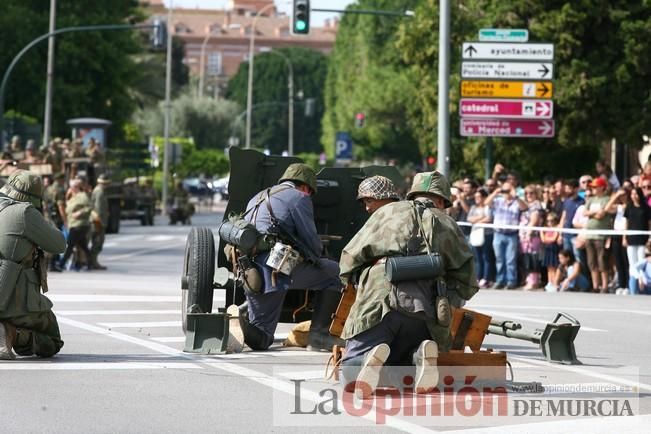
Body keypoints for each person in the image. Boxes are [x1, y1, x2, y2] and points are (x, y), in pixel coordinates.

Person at [339, 171, 478, 397]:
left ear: (412, 194)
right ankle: (418, 356)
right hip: (427, 307)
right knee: (404, 358)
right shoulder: (448, 223)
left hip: (380, 299)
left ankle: (366, 359)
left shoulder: (387, 212)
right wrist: (444, 301)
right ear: (442, 200)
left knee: (349, 372)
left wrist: (357, 283)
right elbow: (468, 282)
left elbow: (348, 259)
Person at [229, 164, 343, 352]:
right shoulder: (299, 197)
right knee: (336, 273)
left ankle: (236, 322)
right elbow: (311, 240)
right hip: (276, 268)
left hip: (250, 271)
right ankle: (319, 336)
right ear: (306, 187)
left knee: (262, 337)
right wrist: (319, 257)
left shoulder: (258, 197)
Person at [0, 170, 66, 359]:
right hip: (13, 300)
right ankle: (11, 333)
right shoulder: (24, 213)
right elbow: (59, 244)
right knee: (53, 341)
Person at [486, 180, 528, 289]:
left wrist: (516, 196)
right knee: (499, 259)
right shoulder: (498, 200)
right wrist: (496, 192)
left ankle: (511, 281)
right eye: (504, 190)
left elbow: (524, 208)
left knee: (510, 259)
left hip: (511, 234)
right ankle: (500, 280)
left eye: (508, 190)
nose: (506, 192)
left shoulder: (516, 202)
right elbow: (487, 203)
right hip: (498, 233)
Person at [583, 177, 615, 292]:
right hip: (589, 235)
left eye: (595, 187)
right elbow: (584, 212)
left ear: (602, 187)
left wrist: (592, 214)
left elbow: (601, 215)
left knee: (602, 261)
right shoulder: (590, 200)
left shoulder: (606, 200)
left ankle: (605, 286)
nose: (593, 189)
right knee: (592, 262)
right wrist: (594, 213)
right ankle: (596, 286)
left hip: (601, 236)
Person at [623, 187, 651, 295]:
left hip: (642, 239)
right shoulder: (629, 207)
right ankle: (633, 288)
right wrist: (624, 237)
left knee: (641, 263)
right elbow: (626, 222)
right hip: (631, 238)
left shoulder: (646, 208)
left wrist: (649, 237)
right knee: (632, 264)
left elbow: (649, 223)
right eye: (632, 194)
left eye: (636, 194)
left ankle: (642, 286)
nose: (634, 196)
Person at [60, 179, 93, 271]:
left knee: (70, 245)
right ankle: (90, 263)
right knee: (83, 246)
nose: (70, 189)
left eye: (71, 187)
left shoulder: (82, 196)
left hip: (79, 224)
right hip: (73, 224)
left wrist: (80, 212)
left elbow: (89, 207)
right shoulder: (72, 197)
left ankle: (61, 264)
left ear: (76, 187)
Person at [467, 188, 494, 288]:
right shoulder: (473, 207)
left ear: (484, 197)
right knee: (477, 258)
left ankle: (486, 278)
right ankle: (478, 277)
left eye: (479, 197)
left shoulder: (488, 207)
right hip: (476, 234)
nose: (477, 199)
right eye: (476, 197)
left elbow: (489, 218)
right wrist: (481, 218)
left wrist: (477, 220)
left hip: (487, 234)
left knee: (486, 257)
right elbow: (469, 218)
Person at [520, 185, 543, 290]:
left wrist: (529, 233)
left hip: (532, 236)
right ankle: (529, 279)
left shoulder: (536, 205)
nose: (528, 195)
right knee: (527, 258)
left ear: (536, 194)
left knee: (532, 259)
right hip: (524, 236)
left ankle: (534, 281)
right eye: (526, 193)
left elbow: (534, 220)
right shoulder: (527, 205)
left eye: (531, 193)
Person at [90, 174, 110, 270]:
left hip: (97, 220)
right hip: (98, 221)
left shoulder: (98, 190)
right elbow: (98, 208)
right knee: (98, 242)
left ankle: (93, 261)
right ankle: (93, 262)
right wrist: (100, 223)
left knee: (97, 242)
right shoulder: (100, 192)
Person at [541, 213, 561, 291]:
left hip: (554, 248)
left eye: (552, 221)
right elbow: (543, 239)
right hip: (547, 248)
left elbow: (553, 239)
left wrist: (547, 238)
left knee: (554, 267)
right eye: (548, 221)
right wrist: (546, 237)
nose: (550, 223)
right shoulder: (545, 229)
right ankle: (549, 282)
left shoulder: (557, 228)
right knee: (549, 267)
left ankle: (554, 283)